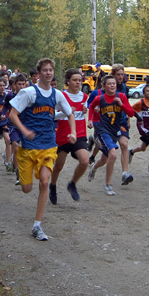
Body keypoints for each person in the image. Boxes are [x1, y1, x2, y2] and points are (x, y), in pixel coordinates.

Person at [9, 58, 76, 241]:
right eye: (45, 70)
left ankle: (37, 225)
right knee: (26, 189)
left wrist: (73, 132)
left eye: (51, 70)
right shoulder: (28, 93)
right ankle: (19, 169)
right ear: (38, 74)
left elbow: (70, 114)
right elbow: (12, 114)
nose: (48, 73)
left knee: (45, 182)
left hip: (48, 145)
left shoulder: (58, 95)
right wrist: (24, 131)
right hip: (28, 147)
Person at [87, 75, 141, 196]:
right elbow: (91, 106)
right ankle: (108, 185)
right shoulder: (100, 98)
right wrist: (90, 120)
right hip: (103, 130)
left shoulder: (121, 96)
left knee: (105, 159)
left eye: (114, 84)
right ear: (104, 86)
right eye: (109, 83)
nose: (112, 85)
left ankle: (94, 168)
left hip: (114, 131)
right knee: (113, 154)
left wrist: (121, 104)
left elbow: (131, 113)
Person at [49, 68, 89, 205]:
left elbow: (82, 112)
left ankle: (72, 184)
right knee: (58, 166)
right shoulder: (60, 96)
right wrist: (66, 112)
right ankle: (52, 186)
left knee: (85, 161)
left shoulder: (84, 96)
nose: (78, 83)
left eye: (79, 80)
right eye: (75, 80)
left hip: (79, 134)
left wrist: (85, 111)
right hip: (62, 135)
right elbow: (51, 115)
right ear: (68, 81)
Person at [111, 64, 134, 186]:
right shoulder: (107, 87)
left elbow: (127, 104)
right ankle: (94, 163)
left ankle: (125, 173)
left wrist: (129, 118)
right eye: (118, 74)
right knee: (107, 151)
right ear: (113, 75)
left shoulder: (125, 87)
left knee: (124, 145)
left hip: (123, 120)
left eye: (122, 74)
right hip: (109, 122)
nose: (120, 77)